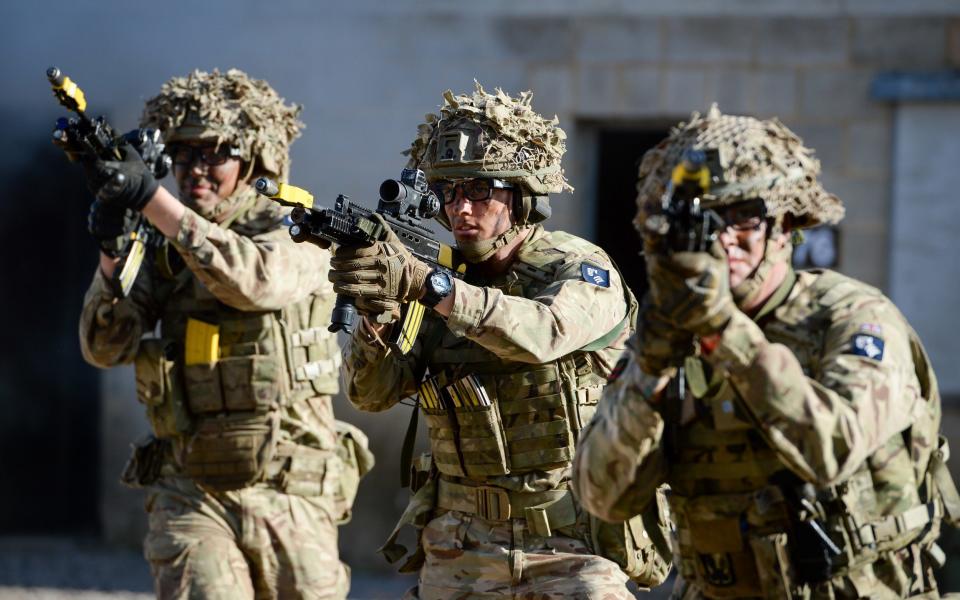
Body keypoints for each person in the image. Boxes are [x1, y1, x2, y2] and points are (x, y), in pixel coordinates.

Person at [572, 105, 959, 599]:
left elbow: (831, 449)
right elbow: (603, 496)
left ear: (784, 223)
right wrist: (651, 362)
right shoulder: (669, 334)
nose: (723, 240)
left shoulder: (850, 317)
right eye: (704, 222)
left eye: (742, 218)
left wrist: (723, 331)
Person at [333, 84, 672, 599]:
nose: (462, 209)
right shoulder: (436, 276)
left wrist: (430, 285)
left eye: (480, 191)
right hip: (460, 545)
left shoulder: (578, 269)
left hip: (574, 544)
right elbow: (371, 394)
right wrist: (377, 314)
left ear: (521, 195)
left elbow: (541, 333)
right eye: (449, 194)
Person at [75, 69, 372, 600]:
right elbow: (105, 347)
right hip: (191, 488)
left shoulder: (299, 230)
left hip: (291, 488)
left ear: (255, 160)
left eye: (215, 154)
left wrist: (150, 198)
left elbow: (254, 282)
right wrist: (112, 247)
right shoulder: (166, 241)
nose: (196, 172)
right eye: (183, 156)